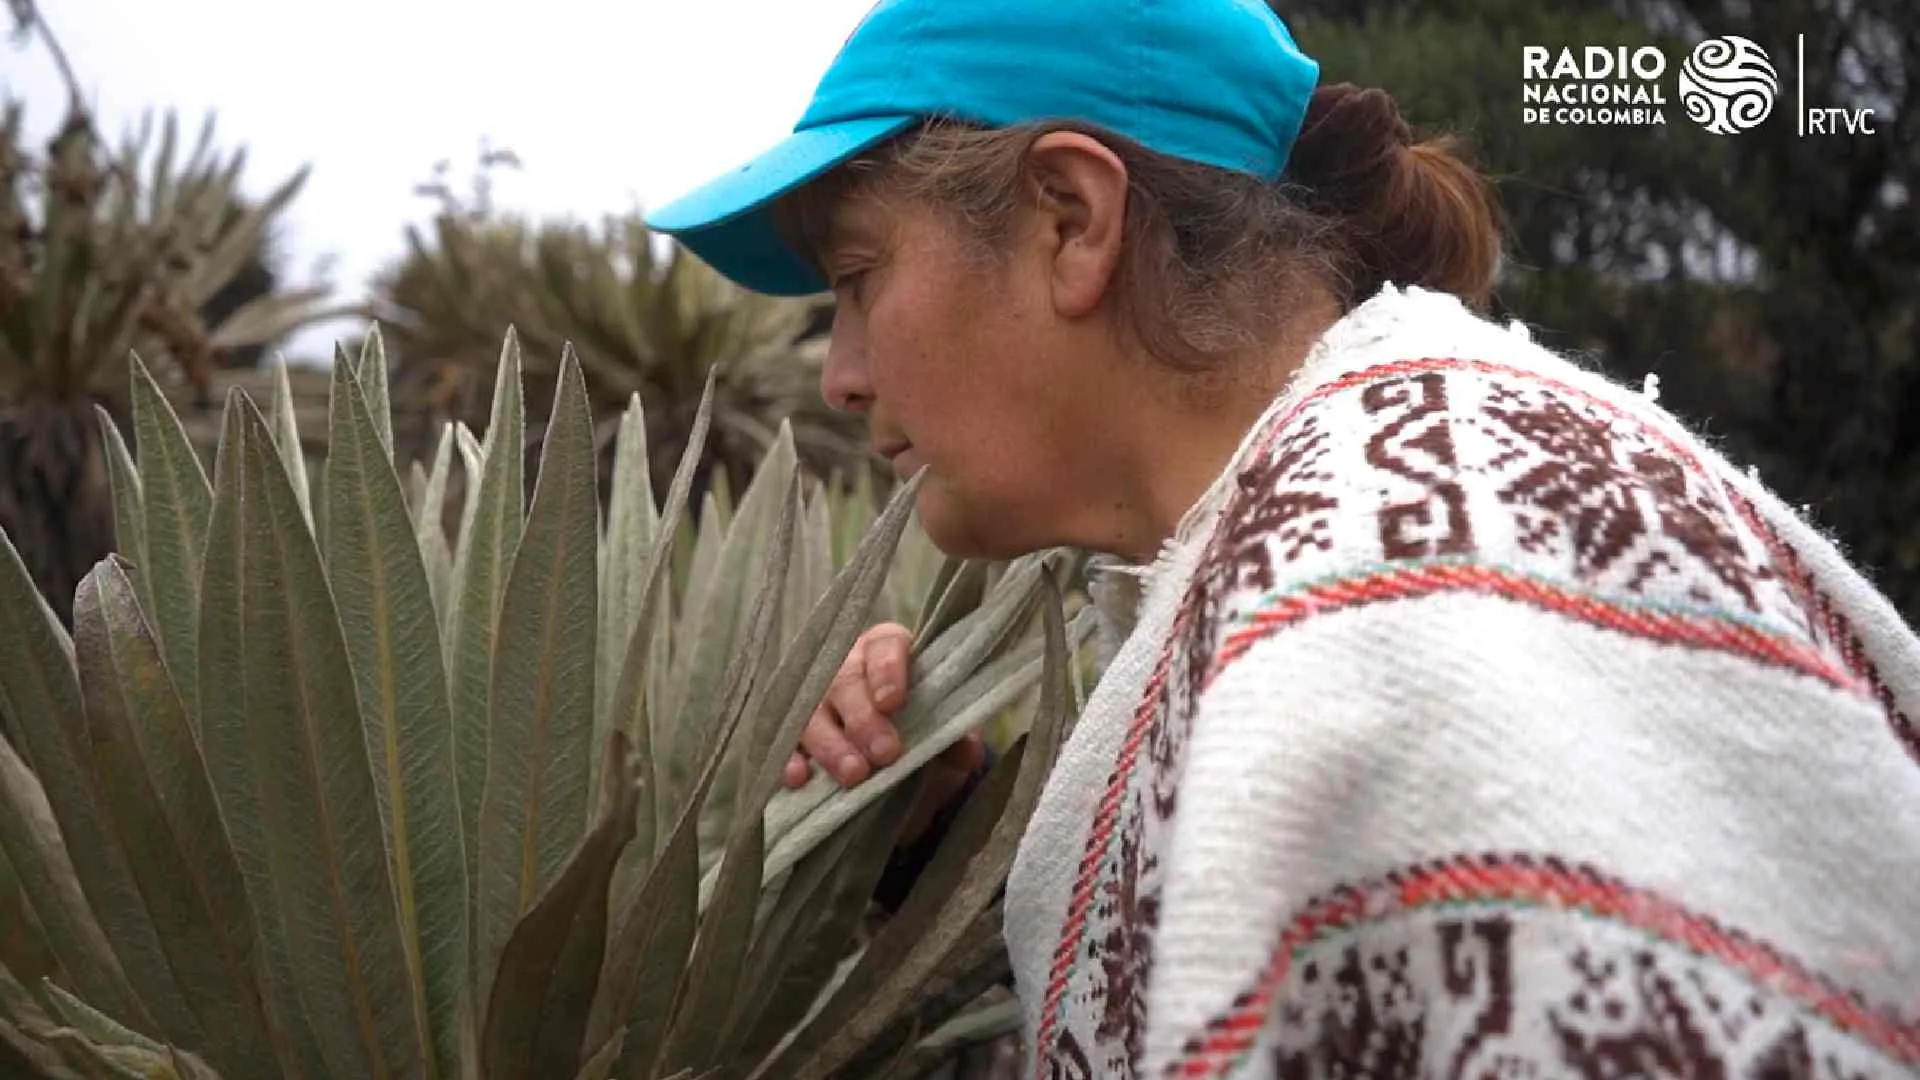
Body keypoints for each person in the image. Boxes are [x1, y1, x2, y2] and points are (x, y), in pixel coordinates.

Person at [645, 0, 1920, 1074]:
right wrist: (933, 837)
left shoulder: (1398, 574)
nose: (841, 377)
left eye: (858, 277)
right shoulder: (1334, 539)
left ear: (1071, 219)